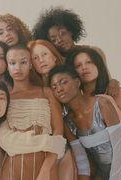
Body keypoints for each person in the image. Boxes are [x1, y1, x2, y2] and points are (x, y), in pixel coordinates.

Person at [49, 65, 121, 180]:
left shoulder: (102, 104)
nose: (59, 89)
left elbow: (119, 149)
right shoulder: (67, 122)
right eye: (54, 87)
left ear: (78, 82)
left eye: (64, 82)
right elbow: (82, 160)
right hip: (102, 172)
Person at [0, 44, 66, 180]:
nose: (17, 67)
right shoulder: (4, 97)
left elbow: (58, 132)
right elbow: (0, 140)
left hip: (45, 167)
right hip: (11, 168)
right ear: (7, 66)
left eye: (23, 62)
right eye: (12, 63)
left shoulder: (45, 92)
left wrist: (47, 168)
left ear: (30, 65)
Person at [32, 7, 119, 97]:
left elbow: (107, 78)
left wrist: (114, 82)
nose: (59, 40)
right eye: (53, 39)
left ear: (71, 31)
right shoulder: (56, 63)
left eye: (62, 33)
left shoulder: (94, 52)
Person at [28, 39, 77, 180]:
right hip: (41, 148)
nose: (41, 60)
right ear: (31, 64)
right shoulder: (32, 89)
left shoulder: (70, 80)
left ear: (54, 56)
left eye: (44, 54)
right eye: (35, 58)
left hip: (72, 144)